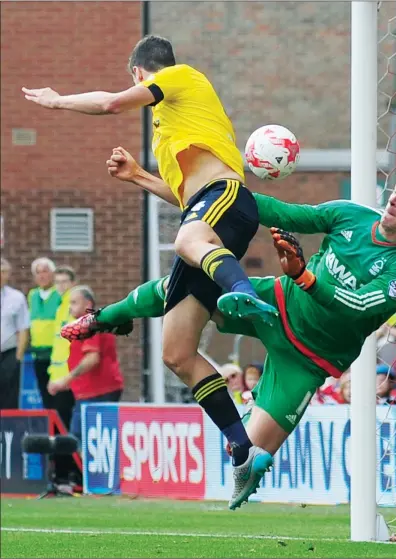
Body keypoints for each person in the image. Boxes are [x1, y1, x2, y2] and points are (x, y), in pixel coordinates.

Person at [62, 159, 396, 508]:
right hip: (273, 304)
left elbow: (360, 306)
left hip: (309, 359)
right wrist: (228, 192)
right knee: (185, 288)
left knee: (249, 462)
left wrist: (305, 276)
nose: (394, 199)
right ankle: (104, 317)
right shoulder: (351, 215)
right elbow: (281, 212)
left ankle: (251, 433)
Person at [25, 35, 277, 479]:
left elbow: (110, 105)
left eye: (135, 81)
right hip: (205, 212)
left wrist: (58, 102)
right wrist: (139, 176)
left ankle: (239, 289)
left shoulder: (181, 77)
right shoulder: (173, 125)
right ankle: (244, 449)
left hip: (227, 200)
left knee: (185, 240)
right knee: (176, 352)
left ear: (139, 73)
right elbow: (185, 198)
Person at [48, 286, 124, 441]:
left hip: (97, 391)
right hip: (94, 390)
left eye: (74, 302)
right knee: (93, 439)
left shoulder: (90, 323)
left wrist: (65, 380)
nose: (70, 307)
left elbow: (92, 358)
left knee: (80, 438)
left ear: (87, 304)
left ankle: (93, 467)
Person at [28, 257, 62, 409]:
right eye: (38, 272)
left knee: (58, 395)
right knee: (44, 394)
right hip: (38, 354)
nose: (42, 275)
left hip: (56, 353)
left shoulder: (59, 294)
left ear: (52, 274)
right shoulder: (32, 295)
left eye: (45, 271)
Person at [47, 266, 77, 428]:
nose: (60, 286)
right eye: (57, 282)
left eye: (64, 282)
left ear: (72, 283)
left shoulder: (71, 306)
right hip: (59, 374)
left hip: (67, 375)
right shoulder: (60, 307)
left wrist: (64, 377)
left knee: (63, 422)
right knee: (60, 421)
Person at [0, 258, 30, 409]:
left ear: (8, 275)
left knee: (9, 397)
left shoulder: (16, 297)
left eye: (4, 271)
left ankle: (8, 430)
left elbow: (24, 328)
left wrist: (18, 356)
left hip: (8, 353)